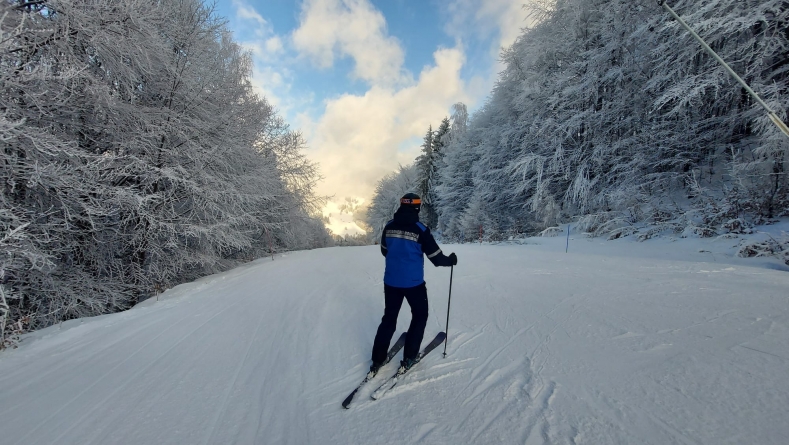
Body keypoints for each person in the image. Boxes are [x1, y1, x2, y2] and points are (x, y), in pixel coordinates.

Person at [370, 193, 457, 376]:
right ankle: (409, 357)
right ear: (417, 207)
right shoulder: (420, 229)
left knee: (389, 318)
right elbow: (436, 258)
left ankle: (378, 359)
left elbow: (384, 250)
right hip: (413, 284)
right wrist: (450, 260)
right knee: (419, 316)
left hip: (391, 281)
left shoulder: (389, 226)